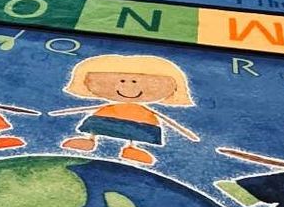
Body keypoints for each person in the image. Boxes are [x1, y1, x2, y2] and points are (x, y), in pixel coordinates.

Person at [50, 54, 199, 165]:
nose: (128, 86)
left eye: (134, 81)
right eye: (122, 81)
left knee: (132, 135)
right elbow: (87, 107)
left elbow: (169, 121)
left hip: (140, 123)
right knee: (97, 128)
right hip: (107, 118)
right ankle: (89, 140)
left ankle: (131, 149)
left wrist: (187, 134)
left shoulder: (141, 111)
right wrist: (60, 112)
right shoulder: (111, 107)